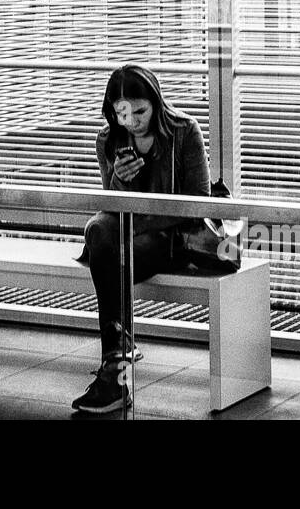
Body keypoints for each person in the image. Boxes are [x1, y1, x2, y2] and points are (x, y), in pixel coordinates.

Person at [71, 63, 212, 414]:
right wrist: (119, 181)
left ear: (156, 103)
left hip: (173, 237)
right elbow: (111, 205)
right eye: (121, 113)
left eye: (139, 111)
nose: (131, 121)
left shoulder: (183, 131)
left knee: (111, 254)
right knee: (97, 231)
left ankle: (114, 372)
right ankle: (118, 355)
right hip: (127, 234)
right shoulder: (108, 140)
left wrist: (139, 221)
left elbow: (199, 202)